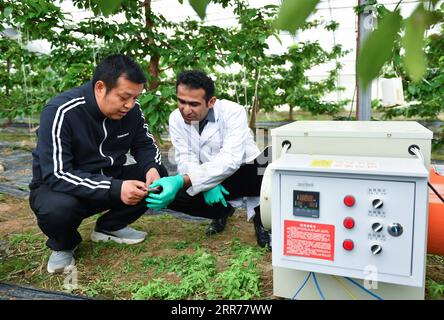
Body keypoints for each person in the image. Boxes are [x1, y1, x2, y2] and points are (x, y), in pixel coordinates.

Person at [29, 54, 167, 274]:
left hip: (109, 179)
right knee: (56, 210)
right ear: (101, 87)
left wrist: (151, 168)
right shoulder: (62, 111)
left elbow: (144, 145)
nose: (130, 105)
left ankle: (110, 227)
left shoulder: (132, 110)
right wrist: (115, 188)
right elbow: (56, 173)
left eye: (135, 97)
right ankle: (64, 243)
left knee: (159, 174)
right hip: (65, 189)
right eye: (124, 97)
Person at [146, 70, 271, 249]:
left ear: (211, 102)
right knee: (173, 196)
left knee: (263, 170)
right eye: (181, 101)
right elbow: (184, 157)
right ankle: (222, 211)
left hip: (243, 169)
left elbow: (230, 159)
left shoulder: (233, 112)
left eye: (194, 104)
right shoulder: (175, 118)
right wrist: (206, 183)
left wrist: (193, 180)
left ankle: (261, 219)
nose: (186, 110)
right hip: (206, 171)